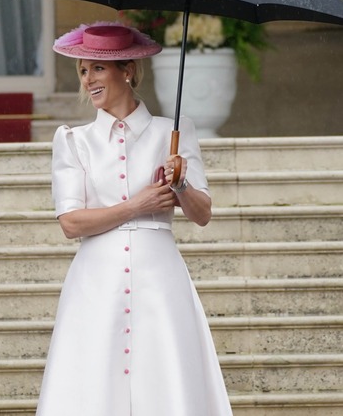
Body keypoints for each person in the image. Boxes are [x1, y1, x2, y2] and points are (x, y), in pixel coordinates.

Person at [36, 22, 233, 415]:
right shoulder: (74, 141)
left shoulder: (174, 132)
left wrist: (179, 185)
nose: (88, 79)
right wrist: (136, 205)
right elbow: (70, 223)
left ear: (127, 71)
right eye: (83, 70)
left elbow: (203, 213)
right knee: (94, 383)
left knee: (165, 380)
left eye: (97, 69)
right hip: (96, 283)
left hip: (161, 278)